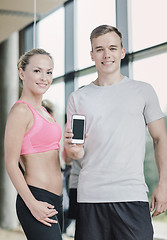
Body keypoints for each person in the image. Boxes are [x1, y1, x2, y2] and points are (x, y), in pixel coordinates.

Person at [63, 25, 167, 240]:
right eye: (99, 49)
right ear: (92, 55)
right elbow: (76, 153)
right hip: (90, 197)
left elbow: (160, 138)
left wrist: (163, 184)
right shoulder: (77, 98)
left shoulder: (143, 90)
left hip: (131, 194)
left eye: (112, 47)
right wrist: (73, 150)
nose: (106, 54)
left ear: (122, 51)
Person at [4, 49, 63, 240]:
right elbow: (11, 163)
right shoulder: (21, 111)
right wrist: (32, 203)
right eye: (37, 71)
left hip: (56, 199)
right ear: (22, 73)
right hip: (36, 197)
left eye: (49, 72)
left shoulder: (46, 112)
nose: (44, 77)